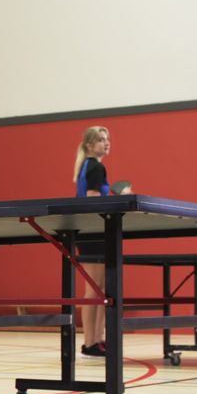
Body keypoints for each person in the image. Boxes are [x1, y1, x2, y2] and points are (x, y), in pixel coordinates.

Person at [73, 125, 111, 358]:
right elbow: (92, 200)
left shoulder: (88, 165)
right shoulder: (96, 166)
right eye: (100, 140)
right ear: (89, 145)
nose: (106, 143)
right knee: (94, 290)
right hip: (93, 232)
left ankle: (97, 340)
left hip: (92, 230)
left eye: (107, 139)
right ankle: (90, 343)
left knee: (100, 290)